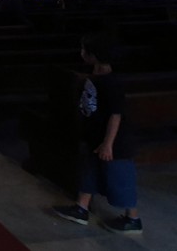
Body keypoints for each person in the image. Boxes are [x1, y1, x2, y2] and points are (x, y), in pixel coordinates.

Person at [54, 34, 141, 234]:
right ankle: (81, 207)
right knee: (89, 172)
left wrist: (108, 143)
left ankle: (133, 218)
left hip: (115, 143)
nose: (81, 53)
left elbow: (115, 115)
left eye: (84, 50)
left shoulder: (112, 83)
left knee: (120, 178)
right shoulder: (96, 76)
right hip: (94, 136)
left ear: (95, 55)